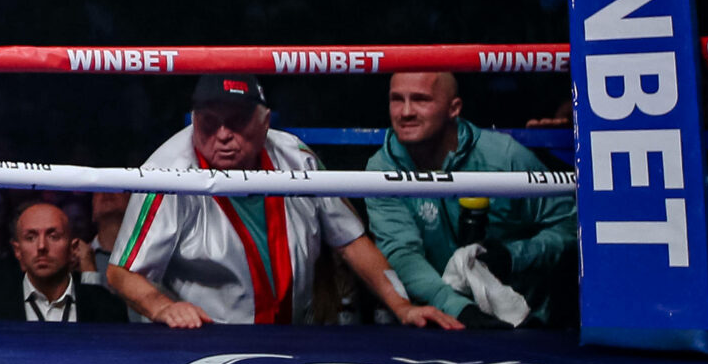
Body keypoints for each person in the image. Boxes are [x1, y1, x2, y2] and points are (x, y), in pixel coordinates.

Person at [107, 76, 460, 330]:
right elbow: (120, 271)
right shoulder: (167, 174)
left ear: (265, 122)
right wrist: (165, 308)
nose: (223, 135)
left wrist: (403, 306)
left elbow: (351, 241)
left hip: (291, 343)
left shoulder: (296, 158)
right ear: (194, 120)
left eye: (237, 121)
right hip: (201, 346)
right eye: (210, 123)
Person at [363, 71, 578, 327]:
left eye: (421, 100)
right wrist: (459, 309)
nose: (405, 112)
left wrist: (513, 256)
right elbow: (401, 252)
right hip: (438, 322)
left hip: (529, 321)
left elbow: (572, 225)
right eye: (397, 99)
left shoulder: (503, 157)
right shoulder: (382, 168)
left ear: (453, 108)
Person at [0, 202, 128, 322]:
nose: (41, 246)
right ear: (18, 251)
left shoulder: (108, 307)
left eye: (53, 236)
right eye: (31, 237)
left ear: (72, 248)